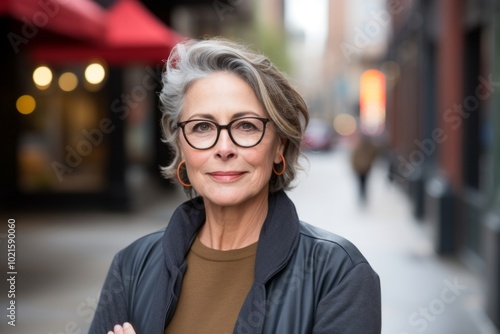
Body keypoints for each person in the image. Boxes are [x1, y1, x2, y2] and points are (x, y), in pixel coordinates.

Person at [89, 38, 381, 334]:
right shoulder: (131, 267)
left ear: (279, 146)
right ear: (182, 147)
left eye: (246, 126)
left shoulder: (339, 274)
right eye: (202, 127)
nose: (224, 148)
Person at [350, 134, 379, 204]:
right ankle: (362, 197)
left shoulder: (366, 147)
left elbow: (375, 153)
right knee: (363, 184)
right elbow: (354, 158)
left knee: (363, 184)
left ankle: (362, 197)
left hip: (364, 168)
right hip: (361, 169)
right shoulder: (366, 147)